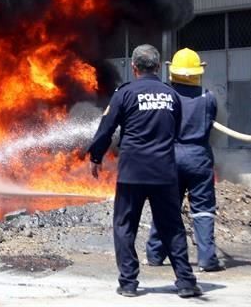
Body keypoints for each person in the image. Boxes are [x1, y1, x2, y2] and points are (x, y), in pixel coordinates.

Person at [88, 44, 202, 298]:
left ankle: (128, 283)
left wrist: (96, 156)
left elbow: (107, 127)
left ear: (133, 67)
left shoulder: (124, 93)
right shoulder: (171, 95)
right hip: (163, 172)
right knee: (171, 226)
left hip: (132, 173)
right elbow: (178, 129)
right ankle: (185, 281)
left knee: (125, 225)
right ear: (159, 67)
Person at [146, 47, 223, 272]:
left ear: (173, 71)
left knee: (166, 207)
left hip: (169, 156)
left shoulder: (165, 95)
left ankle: (155, 254)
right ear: (199, 72)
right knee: (203, 208)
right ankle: (207, 259)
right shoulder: (207, 97)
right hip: (199, 157)